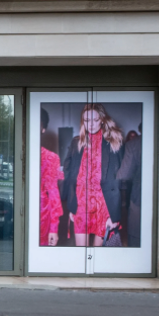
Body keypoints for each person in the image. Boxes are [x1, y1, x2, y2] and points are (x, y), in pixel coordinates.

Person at [62, 103, 126, 247]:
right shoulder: (76, 143)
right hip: (81, 204)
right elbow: (70, 175)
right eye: (86, 120)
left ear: (102, 119)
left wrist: (113, 214)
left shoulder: (113, 143)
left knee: (98, 254)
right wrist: (72, 205)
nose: (90, 124)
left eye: (95, 120)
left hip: (103, 205)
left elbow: (118, 180)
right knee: (81, 252)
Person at [39, 108, 64, 247]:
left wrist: (54, 229)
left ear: (43, 129)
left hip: (43, 218)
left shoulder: (51, 158)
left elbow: (54, 195)